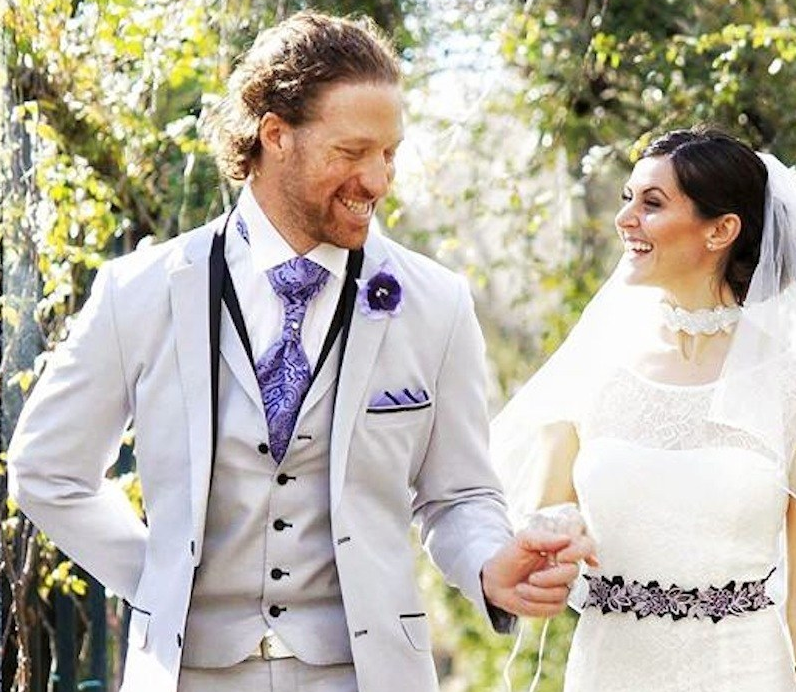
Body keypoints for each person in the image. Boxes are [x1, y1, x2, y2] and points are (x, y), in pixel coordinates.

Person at [7, 12, 595, 692]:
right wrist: (161, 579)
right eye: (352, 152)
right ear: (275, 135)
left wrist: (491, 564)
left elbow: (458, 495)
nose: (377, 180)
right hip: (187, 674)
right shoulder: (138, 292)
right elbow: (47, 469)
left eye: (389, 153)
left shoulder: (436, 304)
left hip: (366, 674)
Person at [491, 127, 796, 692]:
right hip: (608, 673)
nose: (625, 219)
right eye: (627, 198)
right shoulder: (590, 369)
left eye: (652, 204)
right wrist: (551, 539)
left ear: (721, 230)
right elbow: (547, 518)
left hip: (746, 674)